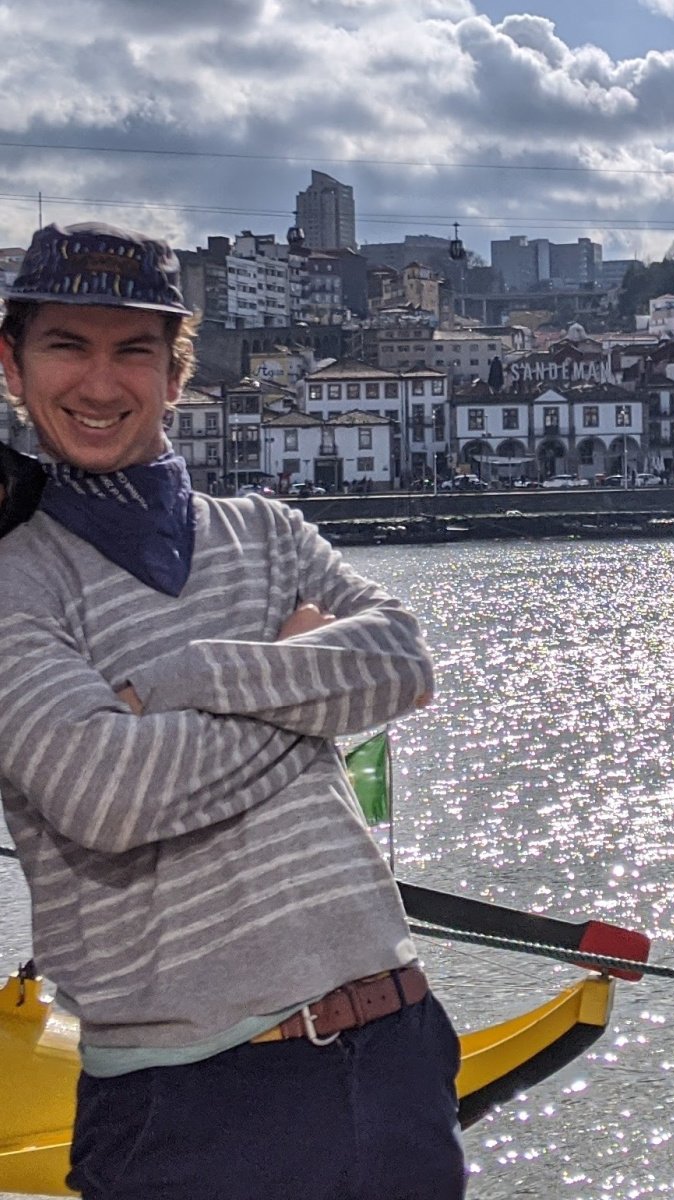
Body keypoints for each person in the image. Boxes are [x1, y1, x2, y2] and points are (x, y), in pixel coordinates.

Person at [0, 223, 466, 1200]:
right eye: (67, 345)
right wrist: (304, 687)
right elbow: (108, 796)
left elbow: (403, 666)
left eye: (133, 350)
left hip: (396, 1054)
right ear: (12, 365)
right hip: (188, 1102)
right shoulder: (16, 581)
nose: (99, 382)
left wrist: (189, 677)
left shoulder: (267, 530)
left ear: (176, 373)